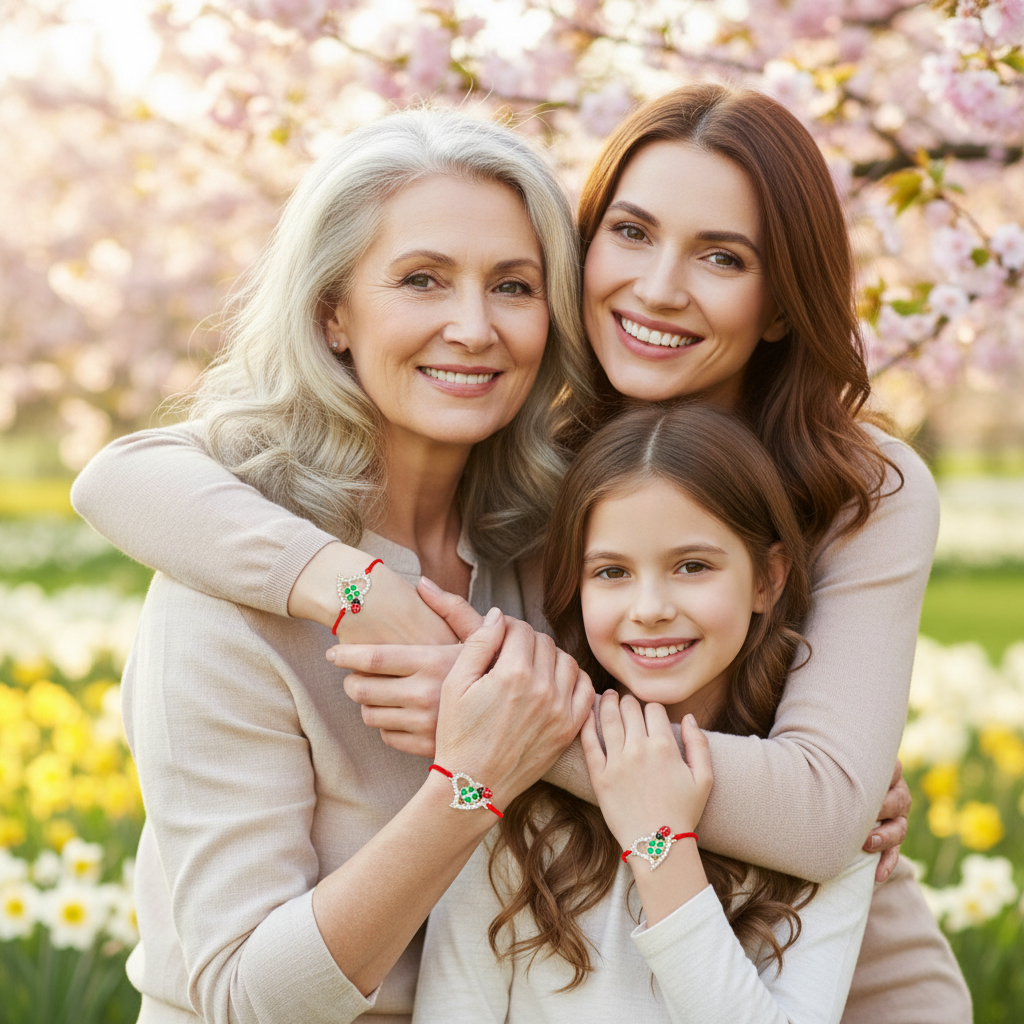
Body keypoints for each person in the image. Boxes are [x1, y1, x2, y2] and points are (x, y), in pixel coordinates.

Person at [72, 85, 971, 1022]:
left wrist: (536, 730)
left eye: (722, 256)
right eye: (630, 233)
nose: (660, 285)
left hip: (822, 973)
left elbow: (819, 812)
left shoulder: (802, 493)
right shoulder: (543, 499)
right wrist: (351, 589)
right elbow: (119, 476)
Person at [103, 108, 596, 1023]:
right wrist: (472, 784)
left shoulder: (550, 547)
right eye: (422, 280)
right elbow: (243, 997)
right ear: (333, 313)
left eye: (515, 286)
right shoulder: (231, 585)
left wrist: (789, 778)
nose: (474, 327)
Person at [413, 402, 878, 1023]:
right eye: (612, 572)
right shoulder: (517, 795)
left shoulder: (823, 829)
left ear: (768, 578)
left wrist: (660, 843)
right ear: (575, 589)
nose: (651, 607)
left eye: (692, 566)